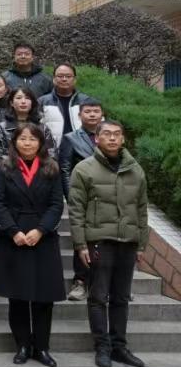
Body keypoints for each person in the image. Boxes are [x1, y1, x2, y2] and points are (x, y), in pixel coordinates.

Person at [69, 120, 148, 367]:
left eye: (117, 134)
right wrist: (81, 244)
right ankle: (102, 346)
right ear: (97, 139)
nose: (112, 138)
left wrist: (142, 244)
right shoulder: (84, 169)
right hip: (99, 241)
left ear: (123, 139)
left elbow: (142, 209)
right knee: (98, 296)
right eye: (107, 134)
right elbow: (76, 210)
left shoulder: (135, 170)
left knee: (121, 297)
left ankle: (119, 347)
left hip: (128, 242)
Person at [0, 124, 66, 367]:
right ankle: (23, 345)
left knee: (44, 297)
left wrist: (41, 230)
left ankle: (42, 347)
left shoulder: (51, 168)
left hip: (43, 238)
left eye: (32, 139)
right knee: (18, 296)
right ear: (14, 142)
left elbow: (56, 204)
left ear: (40, 143)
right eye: (22, 139)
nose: (27, 143)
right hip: (14, 237)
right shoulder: (4, 168)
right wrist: (13, 231)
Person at [59, 99, 104, 301]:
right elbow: (65, 169)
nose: (92, 115)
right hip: (83, 198)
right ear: (79, 115)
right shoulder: (70, 139)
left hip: (108, 198)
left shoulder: (110, 135)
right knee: (83, 239)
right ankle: (80, 282)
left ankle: (106, 284)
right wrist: (71, 197)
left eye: (96, 111)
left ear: (102, 114)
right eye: (88, 111)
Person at [0, 86, 56, 166]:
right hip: (11, 170)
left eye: (27, 98)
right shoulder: (2, 128)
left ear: (32, 103)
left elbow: (51, 153)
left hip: (39, 169)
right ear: (11, 103)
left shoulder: (43, 128)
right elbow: (1, 155)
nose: (23, 101)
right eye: (18, 98)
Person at [39, 62, 91, 144]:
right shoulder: (42, 102)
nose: (64, 79)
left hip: (81, 148)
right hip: (53, 148)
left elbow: (98, 127)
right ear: (54, 79)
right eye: (60, 76)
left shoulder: (86, 101)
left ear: (75, 79)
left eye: (68, 76)